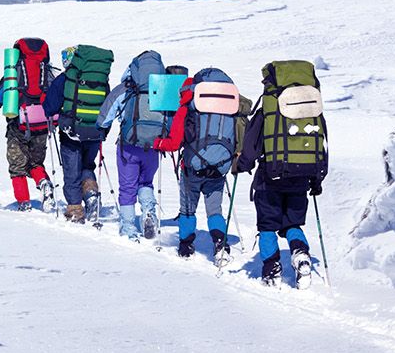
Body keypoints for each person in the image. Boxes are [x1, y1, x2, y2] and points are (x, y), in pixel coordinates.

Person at [235, 60, 329, 285]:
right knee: (292, 225)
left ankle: (271, 270)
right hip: (302, 177)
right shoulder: (312, 110)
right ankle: (300, 254)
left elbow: (251, 145)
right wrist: (317, 179)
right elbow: (321, 145)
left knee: (267, 226)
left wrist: (242, 165)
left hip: (270, 177)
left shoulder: (268, 109)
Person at [153, 68, 245, 265]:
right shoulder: (230, 109)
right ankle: (221, 245)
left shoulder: (188, 108)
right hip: (220, 168)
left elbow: (175, 142)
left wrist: (158, 143)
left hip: (192, 167)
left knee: (187, 209)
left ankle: (186, 246)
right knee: (215, 210)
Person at [99, 51, 178, 240]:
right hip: (154, 146)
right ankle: (149, 212)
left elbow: (107, 113)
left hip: (129, 146)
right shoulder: (164, 89)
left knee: (127, 187)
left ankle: (128, 227)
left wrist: (101, 128)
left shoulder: (126, 88)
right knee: (145, 182)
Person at [0, 38, 55, 211]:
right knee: (36, 163)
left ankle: (24, 203)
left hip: (19, 126)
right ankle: (44, 182)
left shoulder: (14, 72)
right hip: (43, 124)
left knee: (17, 167)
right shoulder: (47, 71)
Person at [51, 45, 114, 224]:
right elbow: (107, 106)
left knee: (72, 170)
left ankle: (75, 209)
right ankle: (91, 194)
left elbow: (50, 106)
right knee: (87, 165)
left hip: (71, 133)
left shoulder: (65, 79)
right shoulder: (102, 80)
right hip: (94, 132)